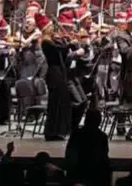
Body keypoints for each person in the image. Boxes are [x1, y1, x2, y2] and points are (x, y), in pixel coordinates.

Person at [39, 12, 80, 141]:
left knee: (62, 101)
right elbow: (60, 50)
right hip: (54, 73)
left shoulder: (53, 40)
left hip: (60, 72)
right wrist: (69, 43)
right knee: (55, 102)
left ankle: (59, 130)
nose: (54, 29)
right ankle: (52, 131)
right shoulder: (46, 42)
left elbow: (62, 51)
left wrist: (67, 41)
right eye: (51, 27)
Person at [66, 108, 111, 186]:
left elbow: (69, 154)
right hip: (96, 175)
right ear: (99, 121)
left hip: (77, 173)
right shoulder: (102, 136)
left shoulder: (76, 134)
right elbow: (104, 155)